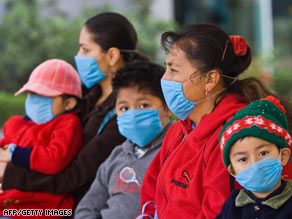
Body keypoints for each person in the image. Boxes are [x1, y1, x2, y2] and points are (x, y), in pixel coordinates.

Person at [137, 24, 292, 219]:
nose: (165, 78)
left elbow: (219, 211)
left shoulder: (236, 137)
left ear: (210, 79)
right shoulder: (179, 130)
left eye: (173, 70)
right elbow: (152, 192)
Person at [0, 12, 148, 209]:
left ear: (112, 55)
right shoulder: (81, 95)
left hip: (73, 208)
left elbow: (74, 177)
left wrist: (8, 173)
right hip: (27, 197)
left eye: (85, 50)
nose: (78, 57)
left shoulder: (123, 112)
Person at [74, 61, 172, 219]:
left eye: (143, 105)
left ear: (167, 108)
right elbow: (86, 208)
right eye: (124, 108)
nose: (132, 114)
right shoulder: (116, 156)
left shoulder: (177, 150)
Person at [0, 59, 83, 216]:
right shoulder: (20, 124)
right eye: (32, 93)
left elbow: (55, 159)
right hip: (12, 204)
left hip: (45, 209)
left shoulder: (67, 124)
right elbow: (4, 146)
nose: (34, 99)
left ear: (69, 103)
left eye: (44, 95)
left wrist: (15, 154)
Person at [216, 96, 292, 219]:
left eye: (263, 153)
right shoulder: (232, 204)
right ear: (233, 171)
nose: (255, 164)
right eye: (243, 159)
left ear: (283, 156)